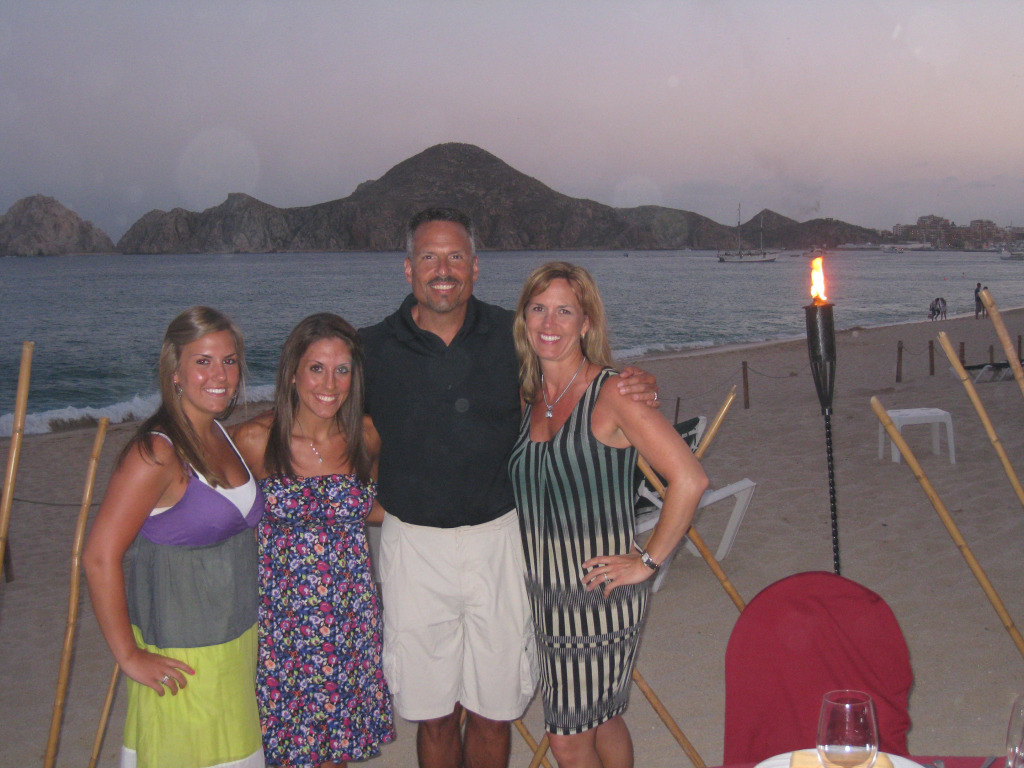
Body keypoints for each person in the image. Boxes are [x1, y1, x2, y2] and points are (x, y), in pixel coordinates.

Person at [359, 207, 658, 768]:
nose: (442, 269)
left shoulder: (512, 336)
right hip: (413, 549)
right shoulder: (371, 348)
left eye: (454, 257)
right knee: (434, 713)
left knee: (495, 709)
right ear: (407, 269)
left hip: (501, 540)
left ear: (475, 267)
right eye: (429, 256)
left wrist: (635, 382)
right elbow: (326, 420)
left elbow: (572, 377)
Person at [508, 262, 708, 767]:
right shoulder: (527, 398)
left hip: (600, 593)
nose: (549, 323)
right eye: (538, 309)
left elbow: (690, 479)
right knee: (600, 715)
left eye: (564, 311)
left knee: (567, 738)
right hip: (545, 595)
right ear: (524, 318)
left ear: (586, 323)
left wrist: (647, 559)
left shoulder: (614, 391)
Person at [83, 307, 265, 768]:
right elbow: (99, 557)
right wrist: (128, 655)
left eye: (229, 360)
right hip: (183, 655)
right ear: (175, 371)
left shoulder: (221, 432)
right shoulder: (158, 452)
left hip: (237, 645)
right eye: (203, 361)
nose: (219, 374)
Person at [232, 313, 395, 768]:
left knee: (334, 754)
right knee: (285, 753)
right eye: (317, 368)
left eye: (342, 369)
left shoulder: (365, 435)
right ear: (293, 372)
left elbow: (376, 507)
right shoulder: (254, 440)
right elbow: (217, 524)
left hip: (350, 619)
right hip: (284, 628)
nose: (330, 382)